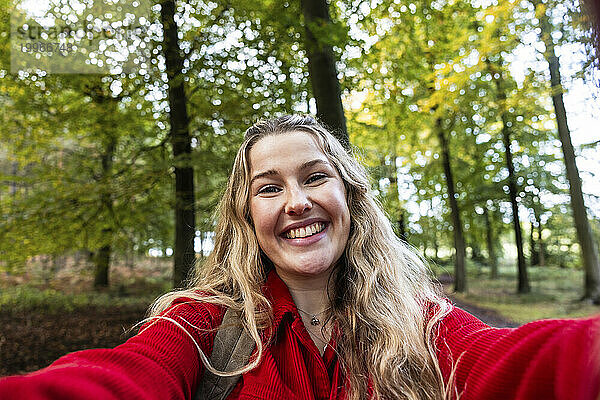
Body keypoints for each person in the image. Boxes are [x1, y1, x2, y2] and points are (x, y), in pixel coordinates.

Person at [0, 114, 599, 400]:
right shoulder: (201, 327)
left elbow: (515, 363)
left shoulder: (423, 326)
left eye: (315, 177)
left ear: (349, 198)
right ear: (246, 215)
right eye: (268, 187)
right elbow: (118, 380)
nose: (296, 202)